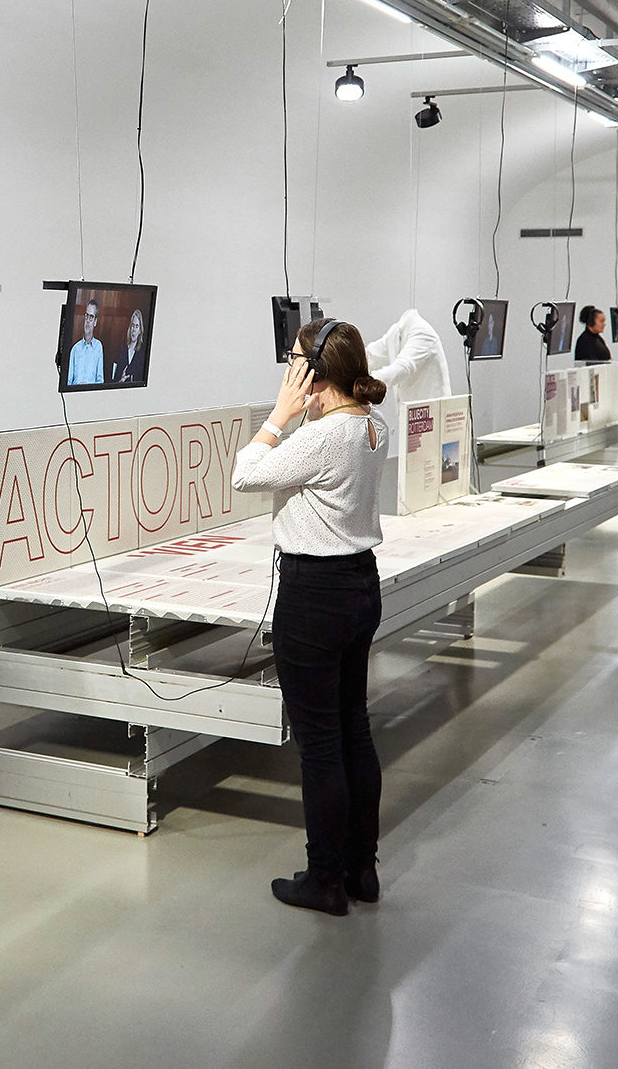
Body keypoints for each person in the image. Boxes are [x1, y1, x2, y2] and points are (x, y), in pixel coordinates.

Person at [232, 319, 391, 916]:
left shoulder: (321, 439)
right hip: (358, 587)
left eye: (295, 362)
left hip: (315, 596)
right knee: (354, 729)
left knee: (319, 747)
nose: (288, 370)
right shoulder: (371, 426)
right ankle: (360, 869)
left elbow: (244, 473)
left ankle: (323, 878)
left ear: (316, 374)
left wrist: (278, 414)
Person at [364, 308, 450, 408]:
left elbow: (403, 367)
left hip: (434, 412)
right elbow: (372, 355)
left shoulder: (424, 334)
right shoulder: (397, 331)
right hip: (413, 414)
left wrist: (364, 384)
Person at [66, 300, 105, 386]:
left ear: (95, 322)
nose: (87, 320)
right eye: (86, 316)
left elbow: (100, 381)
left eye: (91, 317)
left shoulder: (98, 347)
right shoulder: (75, 349)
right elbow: (68, 382)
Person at [111, 309, 147, 383]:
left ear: (140, 330)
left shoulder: (142, 354)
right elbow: (114, 382)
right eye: (132, 326)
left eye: (137, 326)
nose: (134, 330)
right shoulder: (122, 352)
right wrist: (121, 380)